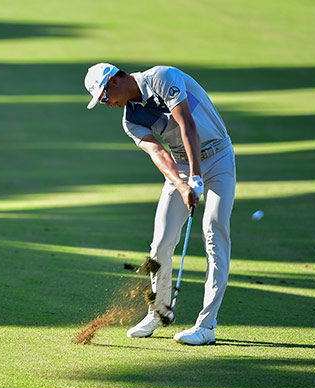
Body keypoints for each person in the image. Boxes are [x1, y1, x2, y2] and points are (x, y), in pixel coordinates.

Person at [84, 63, 236, 346]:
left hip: (218, 157)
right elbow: (158, 153)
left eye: (104, 97)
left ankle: (206, 325)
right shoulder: (131, 120)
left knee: (214, 232)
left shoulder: (162, 78)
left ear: (114, 81)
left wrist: (196, 177)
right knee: (160, 244)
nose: (107, 104)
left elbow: (187, 124)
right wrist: (182, 184)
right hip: (180, 165)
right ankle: (159, 311)